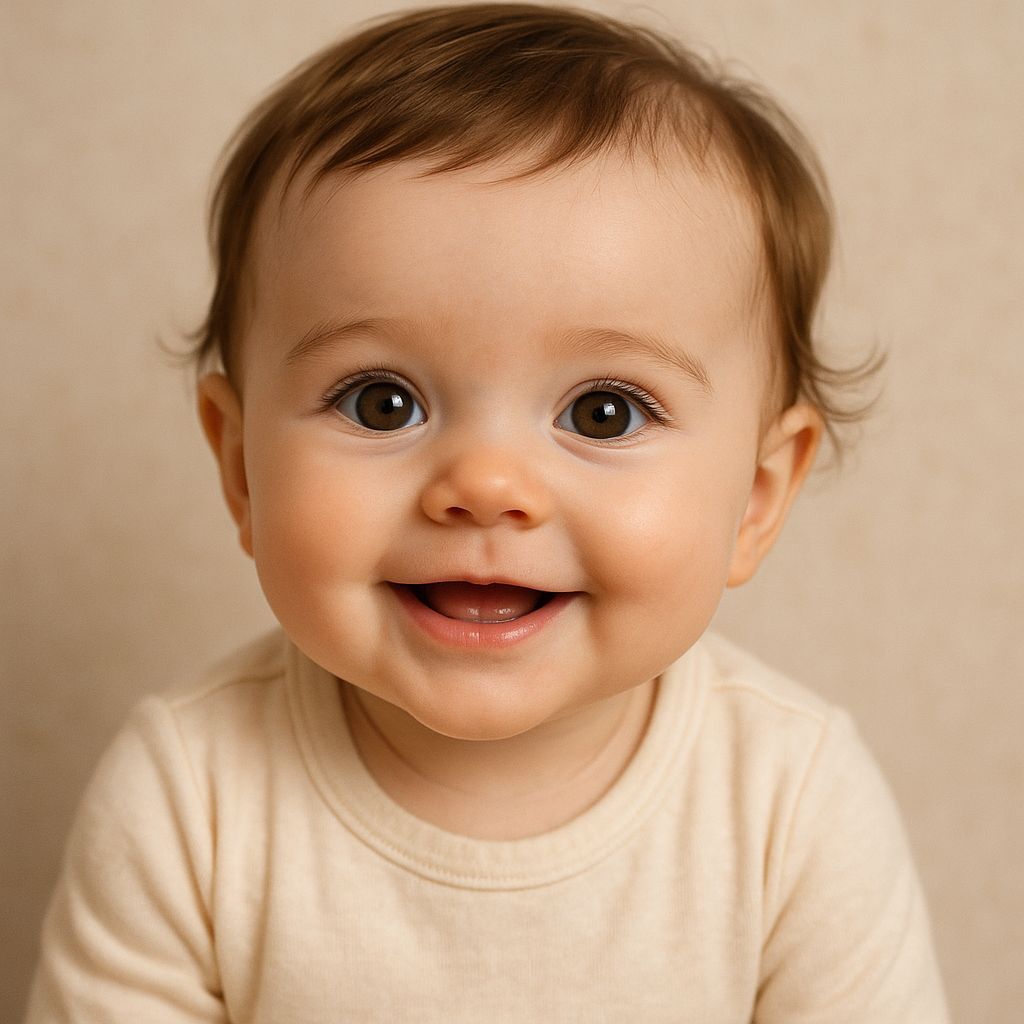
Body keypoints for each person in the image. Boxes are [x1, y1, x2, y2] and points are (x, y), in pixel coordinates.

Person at [25, 4, 949, 1021]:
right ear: (240, 466)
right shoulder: (185, 799)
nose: (486, 484)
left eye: (603, 411)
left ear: (758, 498)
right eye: (382, 401)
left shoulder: (790, 803)